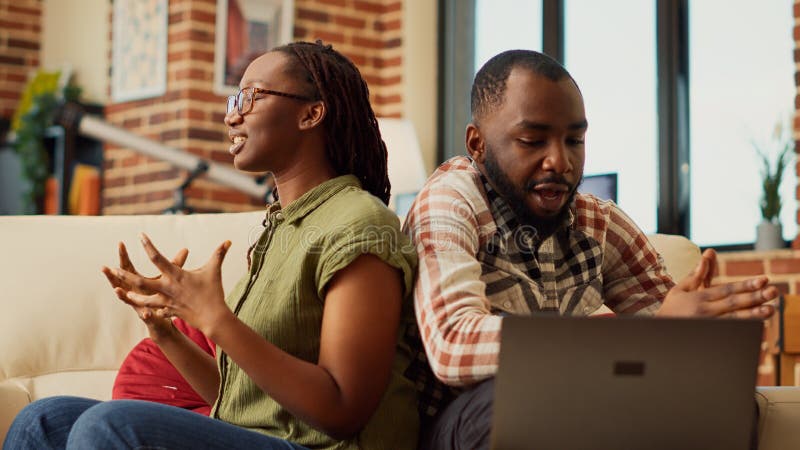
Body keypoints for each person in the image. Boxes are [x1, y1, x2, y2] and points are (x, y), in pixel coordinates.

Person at [4, 41, 420, 450]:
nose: (232, 116)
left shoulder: (360, 225)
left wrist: (215, 319)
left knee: (109, 424)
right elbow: (241, 400)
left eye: (250, 97)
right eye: (232, 99)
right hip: (260, 437)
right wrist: (166, 332)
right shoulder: (281, 228)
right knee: (43, 419)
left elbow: (342, 409)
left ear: (311, 114)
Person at [403, 49, 779, 450]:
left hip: (572, 405)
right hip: (461, 421)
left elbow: (664, 346)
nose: (559, 161)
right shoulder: (448, 202)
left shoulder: (597, 221)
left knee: (723, 406)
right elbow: (452, 344)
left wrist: (693, 334)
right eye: (533, 140)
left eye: (574, 140)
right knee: (532, 401)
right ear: (477, 144)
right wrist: (640, 335)